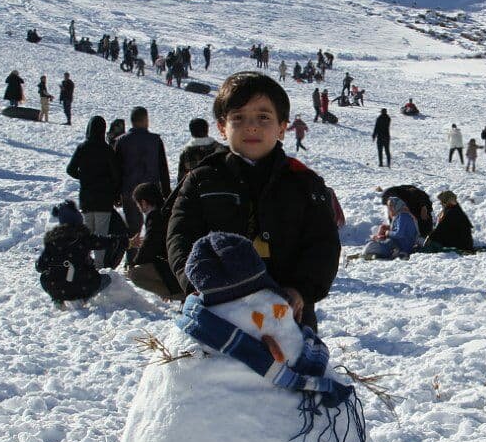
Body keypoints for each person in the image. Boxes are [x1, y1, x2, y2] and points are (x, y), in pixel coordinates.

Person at [167, 71, 340, 330]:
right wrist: (196, 284)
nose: (251, 126)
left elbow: (323, 243)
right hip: (218, 312)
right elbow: (180, 237)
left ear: (282, 127)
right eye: (238, 117)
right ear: (221, 127)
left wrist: (301, 290)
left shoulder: (304, 182)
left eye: (263, 117)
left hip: (290, 315)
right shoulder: (202, 180)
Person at [67, 116, 123, 266]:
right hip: (104, 200)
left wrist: (84, 177)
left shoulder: (82, 148)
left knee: (86, 235)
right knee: (101, 235)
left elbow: (70, 169)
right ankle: (99, 267)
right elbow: (116, 176)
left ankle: (83, 265)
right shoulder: (107, 150)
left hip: (86, 198)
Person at [37, 201, 110, 302]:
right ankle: (84, 297)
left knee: (45, 277)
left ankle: (58, 299)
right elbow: (107, 242)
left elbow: (41, 266)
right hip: (83, 285)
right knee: (106, 279)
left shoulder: (53, 242)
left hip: (59, 288)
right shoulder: (85, 239)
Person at [115, 106, 171, 234]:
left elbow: (117, 170)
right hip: (152, 190)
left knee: (133, 231)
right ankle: (153, 253)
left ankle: (133, 253)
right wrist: (166, 192)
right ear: (145, 119)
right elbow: (163, 168)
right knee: (155, 229)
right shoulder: (155, 140)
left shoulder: (121, 141)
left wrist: (117, 193)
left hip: (129, 191)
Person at [125, 182, 182, 299]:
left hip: (173, 267)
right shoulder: (169, 211)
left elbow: (150, 245)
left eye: (138, 204)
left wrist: (134, 263)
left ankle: (176, 294)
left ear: (144, 203)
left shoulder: (155, 217)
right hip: (178, 263)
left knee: (135, 274)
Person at [177, 118, 219, 183]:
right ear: (207, 130)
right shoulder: (219, 148)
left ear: (191, 133)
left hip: (195, 191)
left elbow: (181, 180)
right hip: (220, 189)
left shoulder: (186, 153)